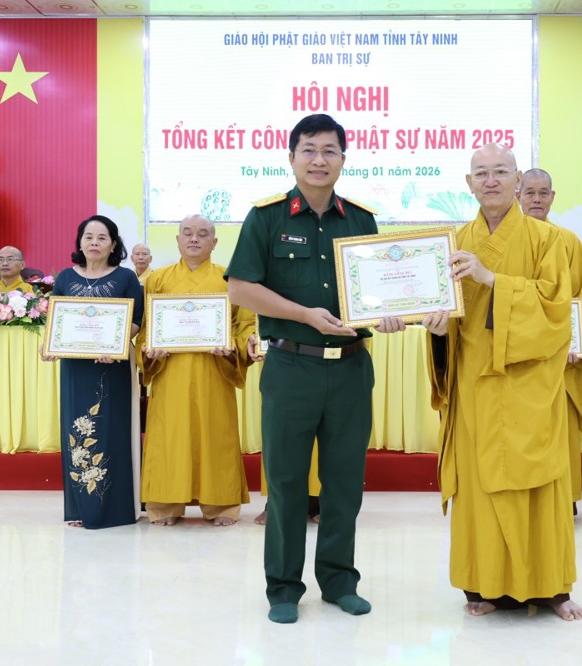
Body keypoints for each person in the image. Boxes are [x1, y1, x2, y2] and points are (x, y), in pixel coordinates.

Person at [226, 113, 405, 624]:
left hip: (350, 369)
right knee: (285, 483)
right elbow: (240, 288)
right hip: (290, 366)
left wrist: (392, 314)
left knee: (345, 482)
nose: (319, 160)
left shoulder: (361, 220)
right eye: (309, 150)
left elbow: (380, 291)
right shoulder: (267, 217)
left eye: (330, 151)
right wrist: (305, 315)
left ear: (344, 159)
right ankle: (283, 588)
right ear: (291, 158)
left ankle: (339, 581)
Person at [423, 143, 582, 621]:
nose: (490, 180)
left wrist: (492, 279)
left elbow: (556, 311)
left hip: (530, 383)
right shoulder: (453, 242)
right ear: (468, 184)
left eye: (500, 171)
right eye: (481, 173)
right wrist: (438, 331)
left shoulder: (549, 240)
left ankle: (551, 588)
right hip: (474, 382)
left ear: (517, 180)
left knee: (537, 483)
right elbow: (448, 314)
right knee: (480, 486)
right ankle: (484, 583)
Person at [137, 214, 256, 527]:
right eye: (187, 233)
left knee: (215, 433)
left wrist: (237, 345)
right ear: (177, 240)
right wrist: (149, 350)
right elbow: (147, 329)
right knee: (169, 435)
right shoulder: (158, 279)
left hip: (214, 371)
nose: (194, 239)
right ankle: (165, 504)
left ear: (214, 242)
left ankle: (221, 505)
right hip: (171, 372)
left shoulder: (230, 280)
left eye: (202, 234)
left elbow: (244, 325)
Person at [42, 215, 144, 529]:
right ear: (80, 242)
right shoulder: (65, 278)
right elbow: (57, 320)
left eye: (102, 238)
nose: (94, 243)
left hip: (112, 367)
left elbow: (137, 321)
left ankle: (116, 509)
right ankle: (82, 509)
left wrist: (116, 345)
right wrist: (49, 345)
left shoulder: (126, 277)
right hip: (75, 368)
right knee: (77, 432)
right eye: (88, 237)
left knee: (111, 430)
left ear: (113, 245)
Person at [518, 168, 582, 512]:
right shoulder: (507, 241)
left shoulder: (567, 241)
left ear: (552, 198)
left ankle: (563, 498)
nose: (536, 199)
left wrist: (580, 345)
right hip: (518, 356)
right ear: (517, 196)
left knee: (559, 428)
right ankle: (522, 498)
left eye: (543, 193)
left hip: (560, 358)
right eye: (530, 193)